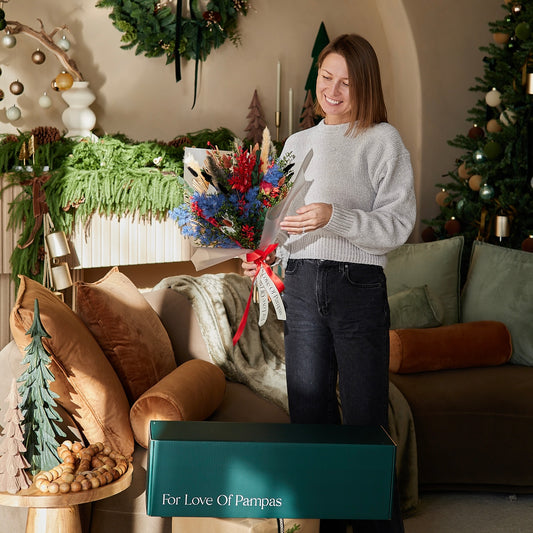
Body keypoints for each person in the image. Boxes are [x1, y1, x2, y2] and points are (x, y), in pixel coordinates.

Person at [243, 33, 415, 533]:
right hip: (300, 285)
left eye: (347, 82)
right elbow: (281, 224)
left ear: (366, 87)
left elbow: (398, 225)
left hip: (356, 288)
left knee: (365, 427)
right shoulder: (297, 144)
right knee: (309, 420)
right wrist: (266, 257)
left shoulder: (384, 140)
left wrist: (333, 217)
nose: (334, 91)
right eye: (326, 78)